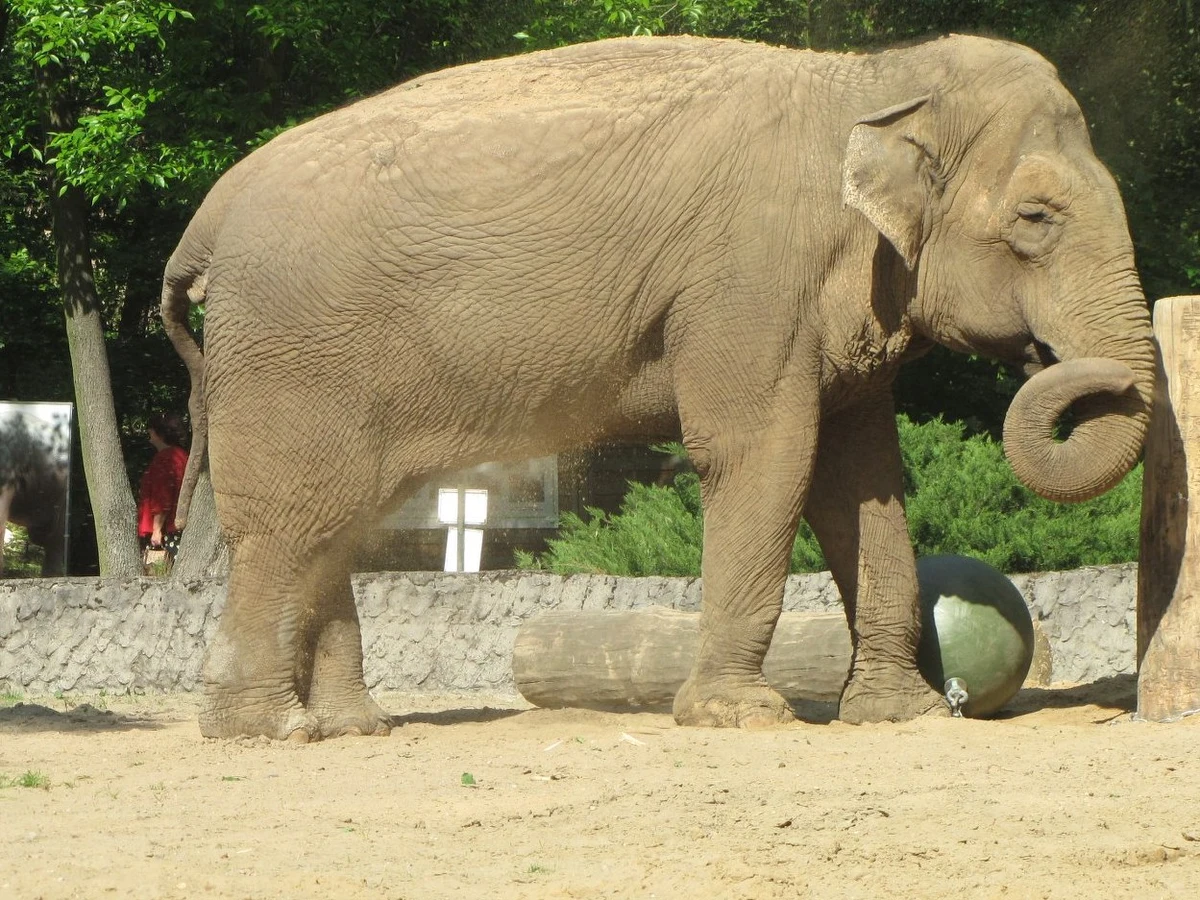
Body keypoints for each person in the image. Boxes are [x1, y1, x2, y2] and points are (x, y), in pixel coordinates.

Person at [138, 413, 189, 566]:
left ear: (159, 433)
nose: (149, 431)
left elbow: (163, 497)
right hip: (179, 526)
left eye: (151, 429)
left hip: (167, 531)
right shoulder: (182, 455)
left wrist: (156, 529)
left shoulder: (165, 458)